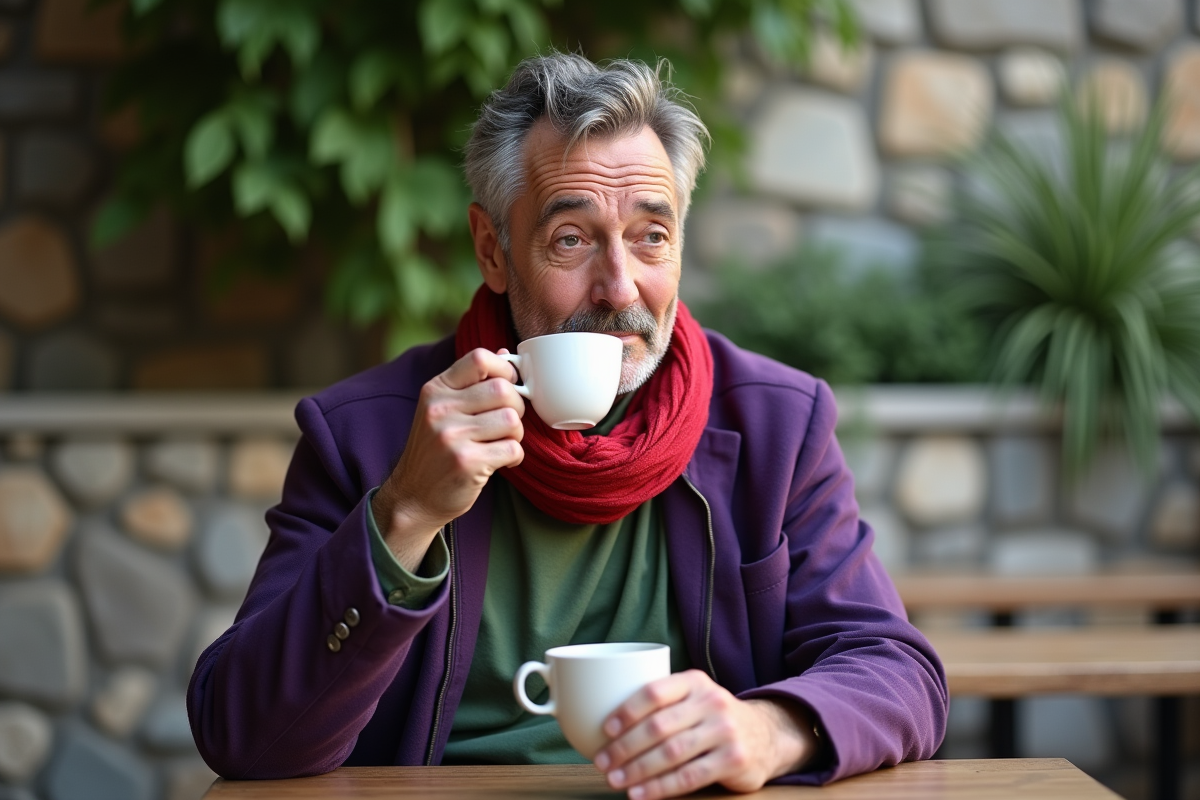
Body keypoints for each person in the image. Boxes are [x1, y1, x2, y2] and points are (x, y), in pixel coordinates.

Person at [187, 53, 947, 800]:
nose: (620, 289)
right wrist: (404, 514)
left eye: (651, 235)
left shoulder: (775, 424)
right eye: (572, 239)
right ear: (494, 249)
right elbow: (243, 734)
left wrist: (768, 731)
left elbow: (897, 671)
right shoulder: (367, 436)